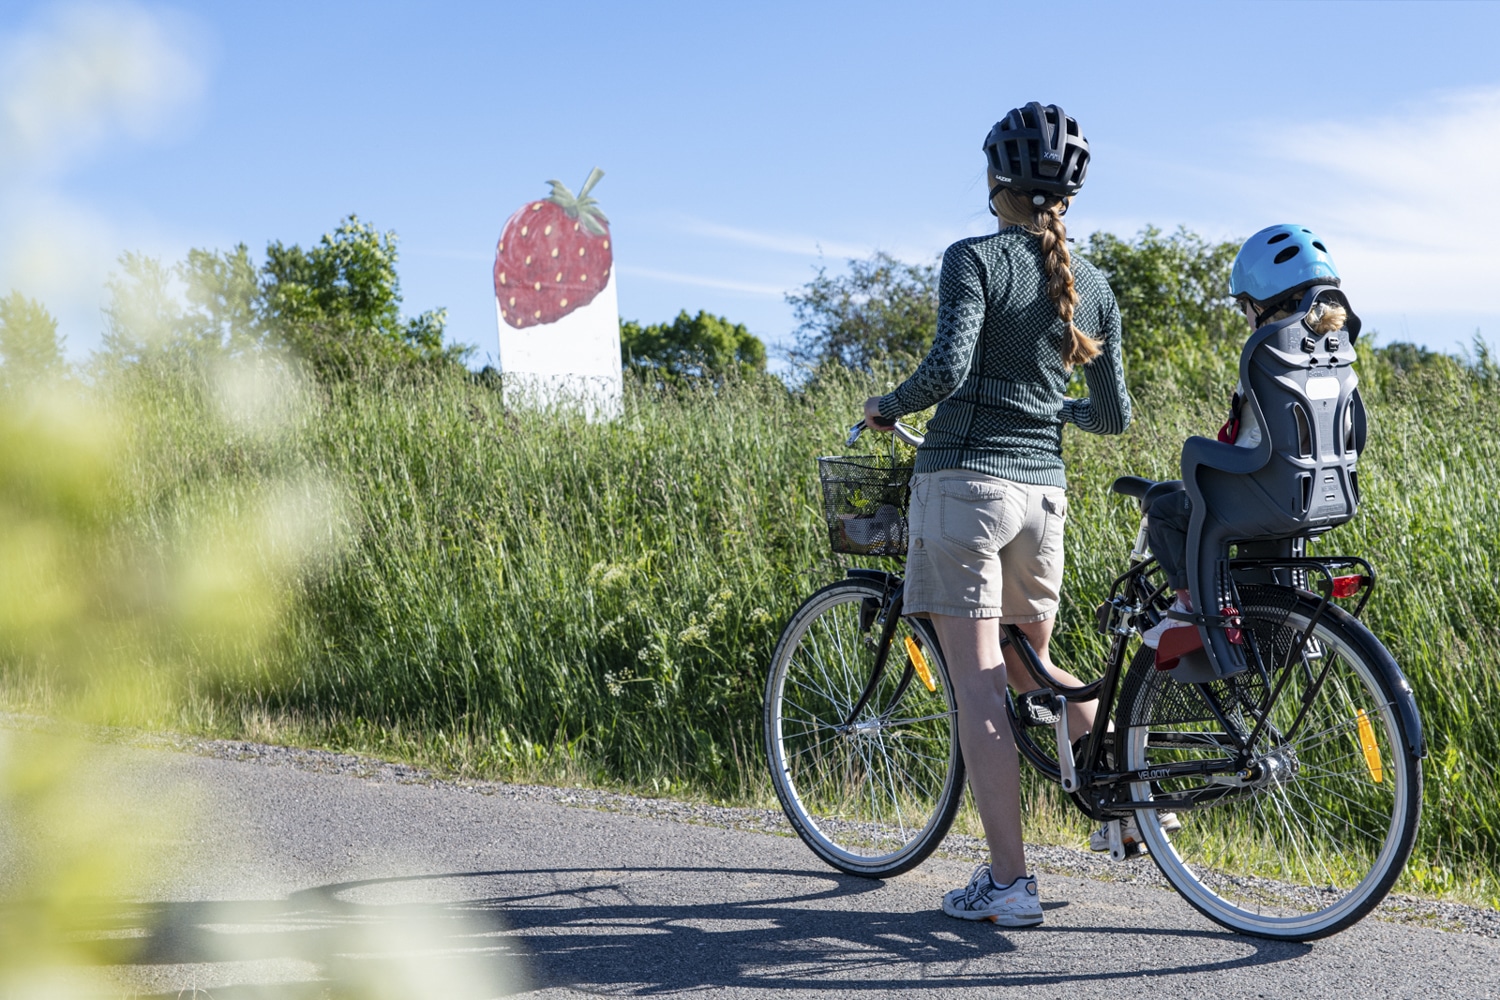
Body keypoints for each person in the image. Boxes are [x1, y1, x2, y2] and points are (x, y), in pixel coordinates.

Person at [862, 102, 1131, 927]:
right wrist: (1050, 408)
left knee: (979, 684)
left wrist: (885, 406)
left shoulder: (973, 259)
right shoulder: (1097, 288)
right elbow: (1112, 415)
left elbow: (947, 369)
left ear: (994, 180)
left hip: (967, 488)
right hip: (1043, 497)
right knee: (1033, 668)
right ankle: (1126, 806)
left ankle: (1010, 884)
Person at [1140, 225, 1350, 651]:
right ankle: (1269, 619)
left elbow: (1245, 441)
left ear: (1263, 303)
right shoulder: (1334, 355)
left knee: (1165, 510)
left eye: (1244, 307)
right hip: (1320, 492)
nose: (1245, 317)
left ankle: (1190, 611)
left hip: (1262, 490)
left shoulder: (1267, 356)